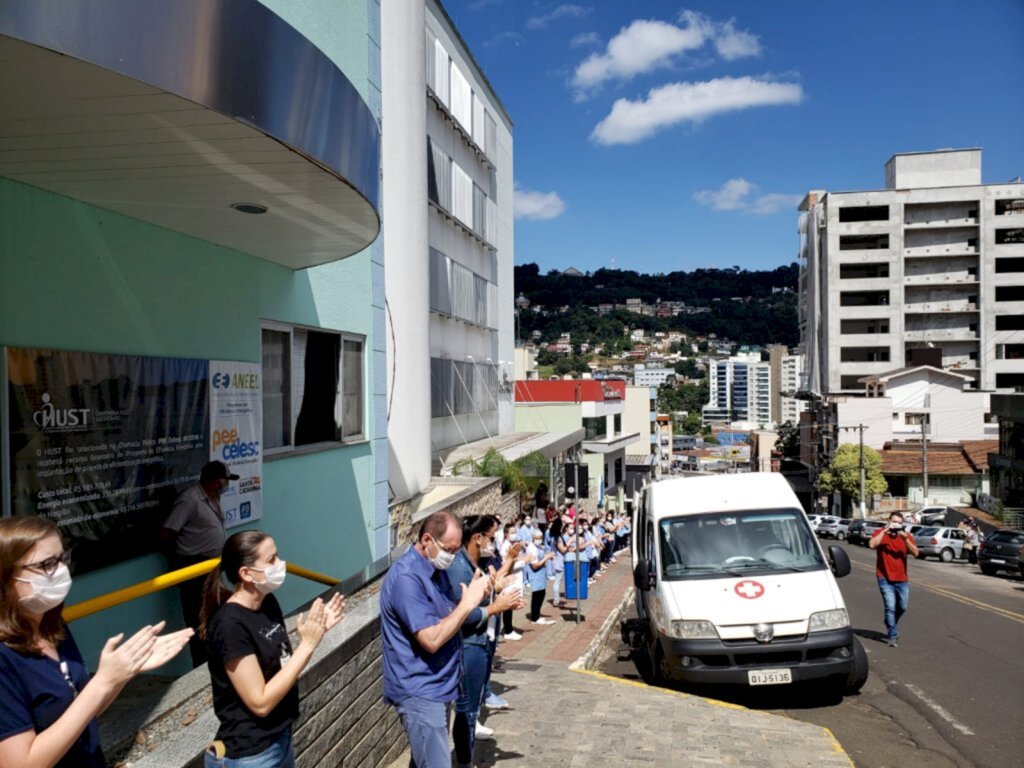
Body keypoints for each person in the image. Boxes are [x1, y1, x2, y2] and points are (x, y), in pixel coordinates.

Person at [0, 516, 192, 768]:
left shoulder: (53, 627)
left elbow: (81, 712)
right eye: (47, 564)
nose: (61, 571)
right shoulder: (4, 658)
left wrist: (123, 672)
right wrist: (102, 682)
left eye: (62, 558)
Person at [200, 530, 343, 767]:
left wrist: (318, 629)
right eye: (271, 560)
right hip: (251, 755)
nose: (281, 564)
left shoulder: (267, 603)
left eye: (278, 556)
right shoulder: (229, 626)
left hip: (280, 738)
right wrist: (308, 645)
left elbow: (280, 664)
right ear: (245, 573)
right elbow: (260, 702)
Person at [379, 512, 493, 768]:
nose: (451, 557)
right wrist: (467, 605)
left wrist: (472, 595)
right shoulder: (407, 578)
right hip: (420, 691)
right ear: (427, 539)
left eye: (455, 551)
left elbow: (446, 614)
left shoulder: (435, 569)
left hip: (440, 685)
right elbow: (431, 638)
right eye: (448, 550)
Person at [448, 516, 524, 768]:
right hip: (468, 645)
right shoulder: (460, 568)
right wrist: (496, 607)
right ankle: (465, 762)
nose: (495, 543)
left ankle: (465, 759)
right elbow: (464, 614)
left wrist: (508, 566)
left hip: (479, 643)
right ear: (477, 538)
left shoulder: (473, 564)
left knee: (469, 711)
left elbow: (485, 592)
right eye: (491, 538)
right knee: (467, 711)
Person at [161, 460, 239, 667]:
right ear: (214, 482)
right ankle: (201, 666)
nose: (226, 486)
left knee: (216, 611)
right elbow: (168, 532)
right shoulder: (189, 500)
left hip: (211, 567)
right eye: (224, 481)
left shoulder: (212, 498)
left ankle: (217, 657)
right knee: (198, 618)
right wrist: (178, 563)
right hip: (193, 568)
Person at [869, 512, 919, 647]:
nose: (896, 525)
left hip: (902, 579)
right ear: (889, 521)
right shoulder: (881, 533)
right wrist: (885, 531)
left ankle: (890, 622)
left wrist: (905, 539)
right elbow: (872, 545)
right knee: (890, 607)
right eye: (894, 522)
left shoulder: (905, 536)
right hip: (884, 577)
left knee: (902, 606)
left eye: (899, 523)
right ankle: (892, 635)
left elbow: (916, 553)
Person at [525, 531, 555, 625]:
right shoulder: (532, 548)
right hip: (535, 574)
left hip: (541, 574)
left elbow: (541, 557)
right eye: (537, 538)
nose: (539, 540)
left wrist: (547, 556)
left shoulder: (537, 547)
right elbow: (535, 565)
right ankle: (535, 617)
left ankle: (537, 614)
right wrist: (546, 558)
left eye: (541, 538)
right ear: (533, 538)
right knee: (537, 595)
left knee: (541, 594)